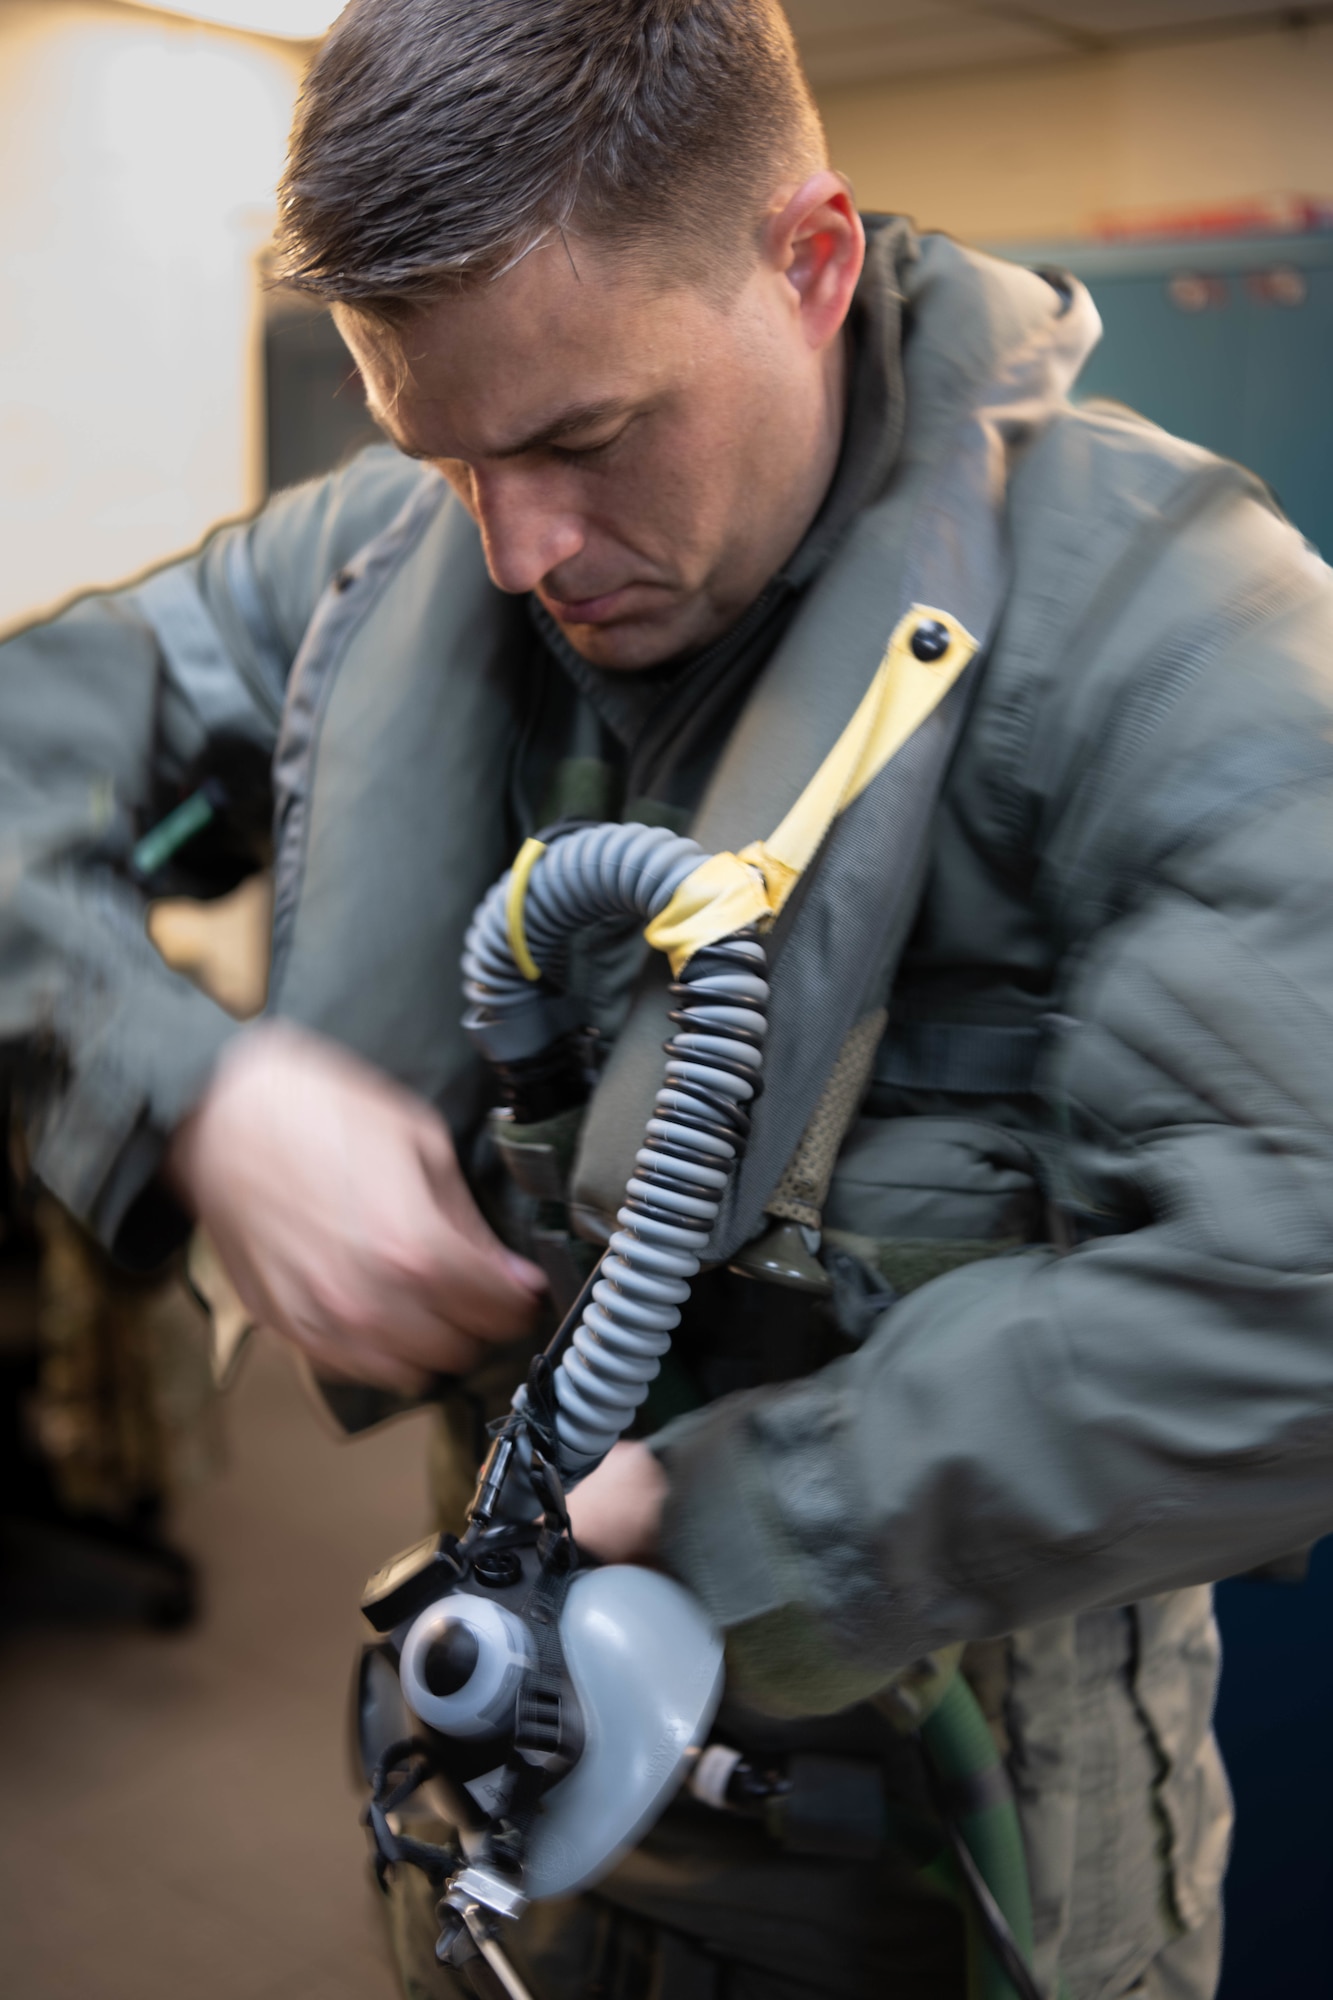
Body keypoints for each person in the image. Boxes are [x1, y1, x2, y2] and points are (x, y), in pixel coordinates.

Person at [6, 0, 1333, 1992]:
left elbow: (1302, 1280)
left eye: (580, 436)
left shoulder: (1166, 628)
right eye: (439, 450)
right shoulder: (392, 559)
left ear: (805, 261)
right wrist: (191, 1085)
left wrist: (743, 1522)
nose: (517, 545)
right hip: (518, 1839)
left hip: (963, 1890)